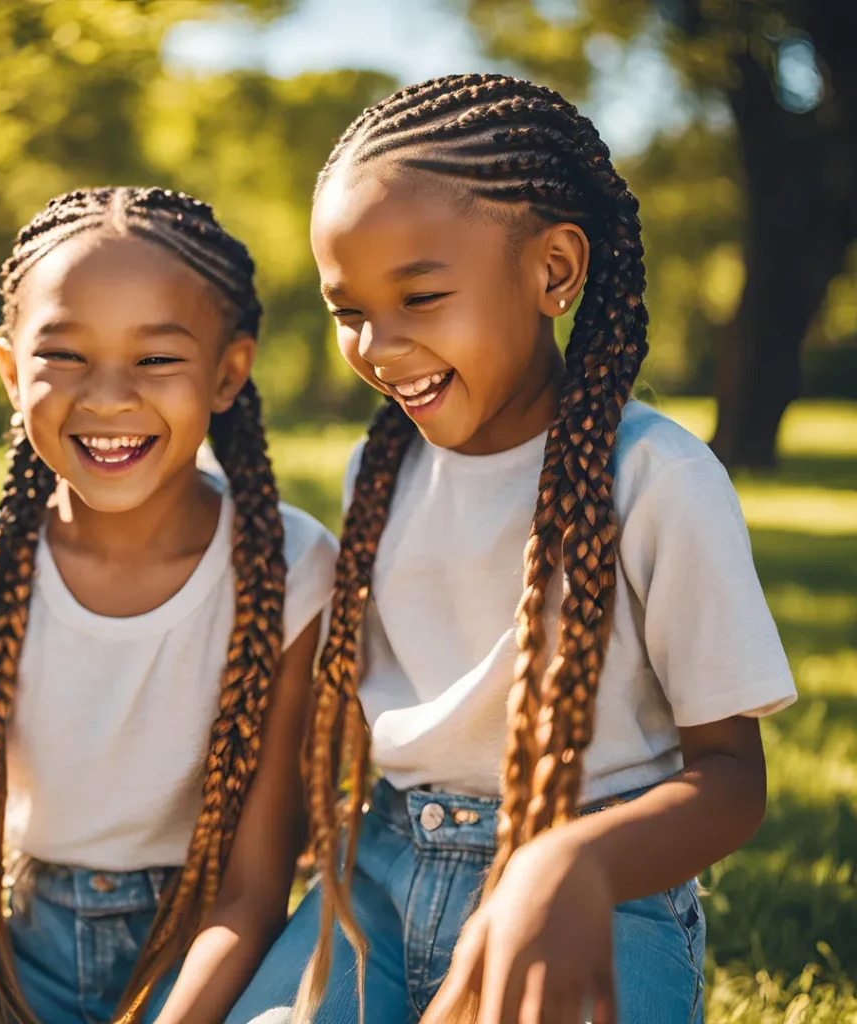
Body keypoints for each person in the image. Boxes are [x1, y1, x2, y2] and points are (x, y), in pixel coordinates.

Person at [226, 74, 798, 1024]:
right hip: (378, 876)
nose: (377, 344)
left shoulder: (657, 476)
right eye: (347, 309)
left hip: (602, 891)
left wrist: (572, 863)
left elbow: (733, 781)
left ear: (555, 272)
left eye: (420, 294)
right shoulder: (378, 471)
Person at [0, 186, 337, 1024]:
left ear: (227, 371)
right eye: (63, 356)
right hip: (10, 960)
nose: (107, 397)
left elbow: (252, 894)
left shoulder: (290, 570)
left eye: (155, 359)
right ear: (8, 369)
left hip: (203, 964)